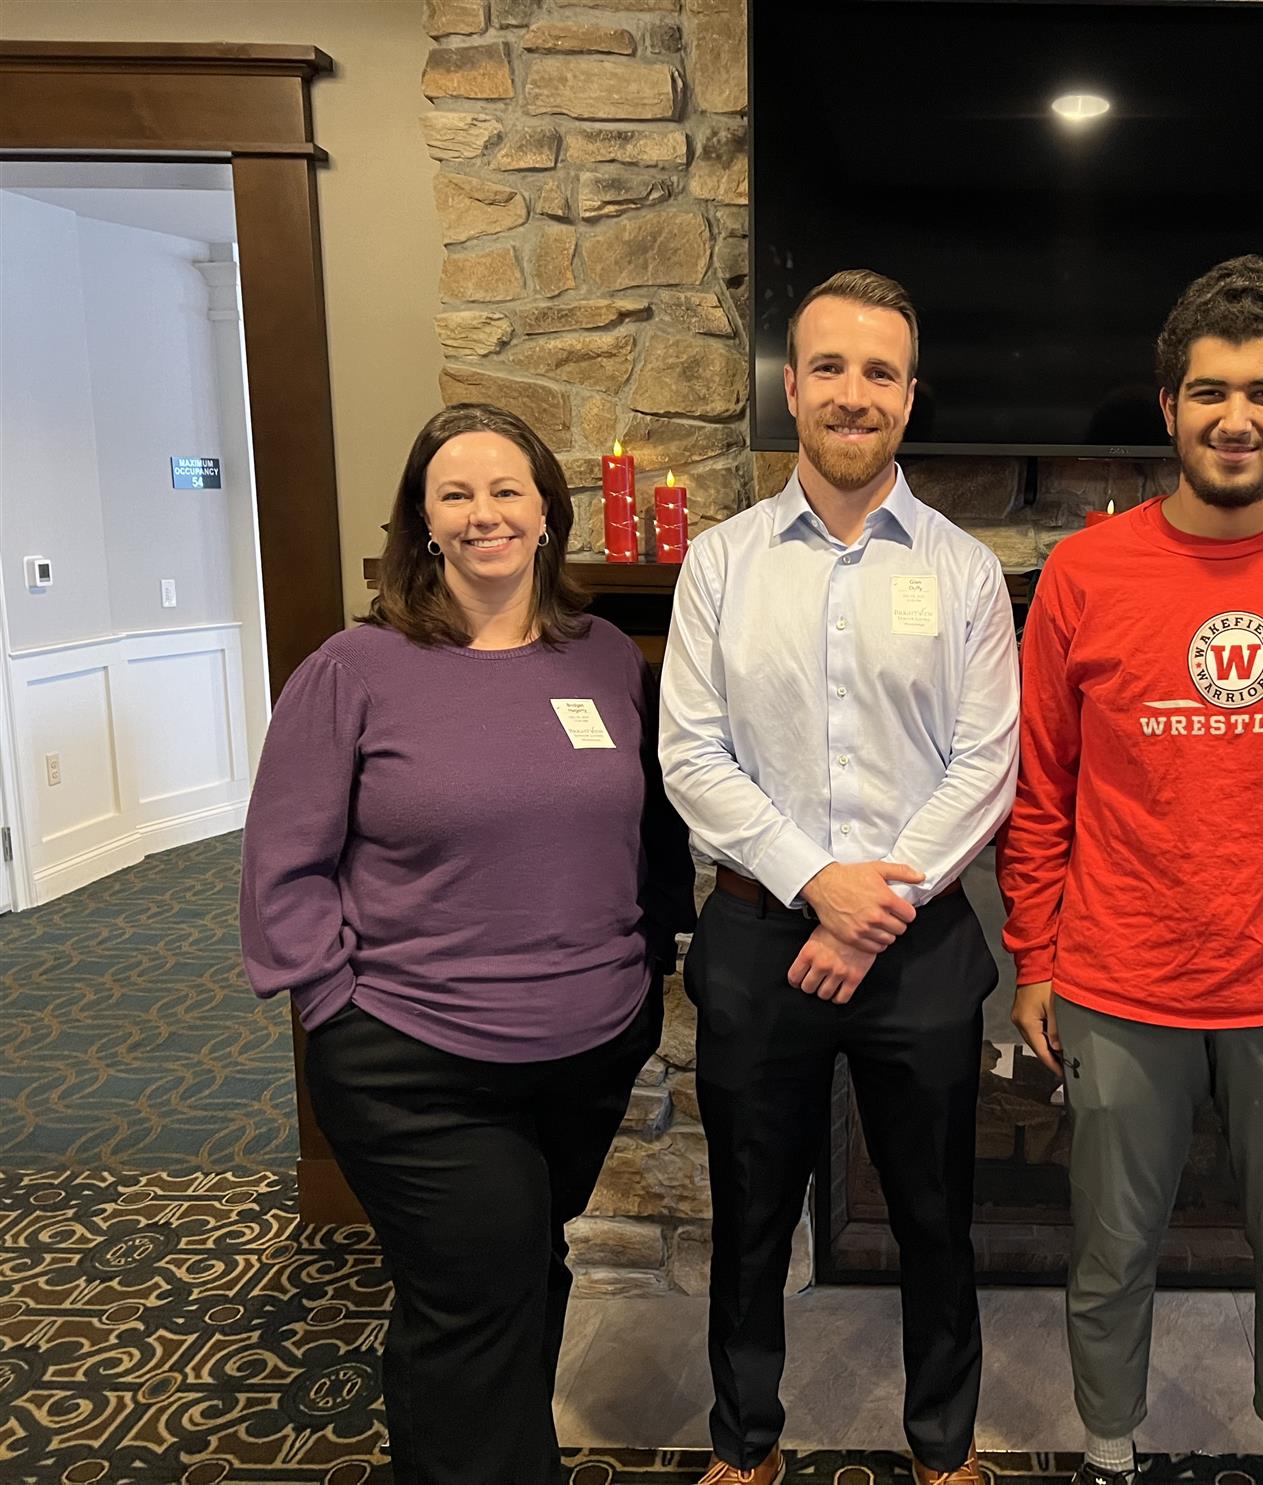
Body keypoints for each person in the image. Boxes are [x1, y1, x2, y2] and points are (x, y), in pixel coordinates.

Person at [998, 255, 1263, 1485]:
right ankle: (1107, 1449)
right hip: (1117, 979)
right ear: (1170, 405)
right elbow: (1042, 788)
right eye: (1212, 392)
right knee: (1108, 1250)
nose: (1238, 418)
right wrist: (1035, 956)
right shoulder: (1084, 575)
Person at [240, 402, 694, 1485]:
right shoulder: (355, 668)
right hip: (415, 1058)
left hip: (587, 1049)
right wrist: (333, 1009)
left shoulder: (604, 658)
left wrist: (646, 971)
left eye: (505, 491)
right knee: (478, 1296)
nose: (483, 513)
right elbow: (282, 864)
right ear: (423, 521)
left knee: (522, 1276)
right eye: (455, 494)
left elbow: (649, 832)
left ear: (547, 513)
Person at [659, 269, 1019, 1485]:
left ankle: (944, 1450)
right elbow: (691, 756)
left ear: (910, 396)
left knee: (934, 1215)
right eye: (830, 368)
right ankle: (745, 1446)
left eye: (880, 372)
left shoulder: (964, 571)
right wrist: (820, 884)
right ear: (791, 386)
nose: (853, 394)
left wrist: (874, 910)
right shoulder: (721, 564)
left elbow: (986, 765)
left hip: (919, 946)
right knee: (750, 1214)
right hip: (760, 938)